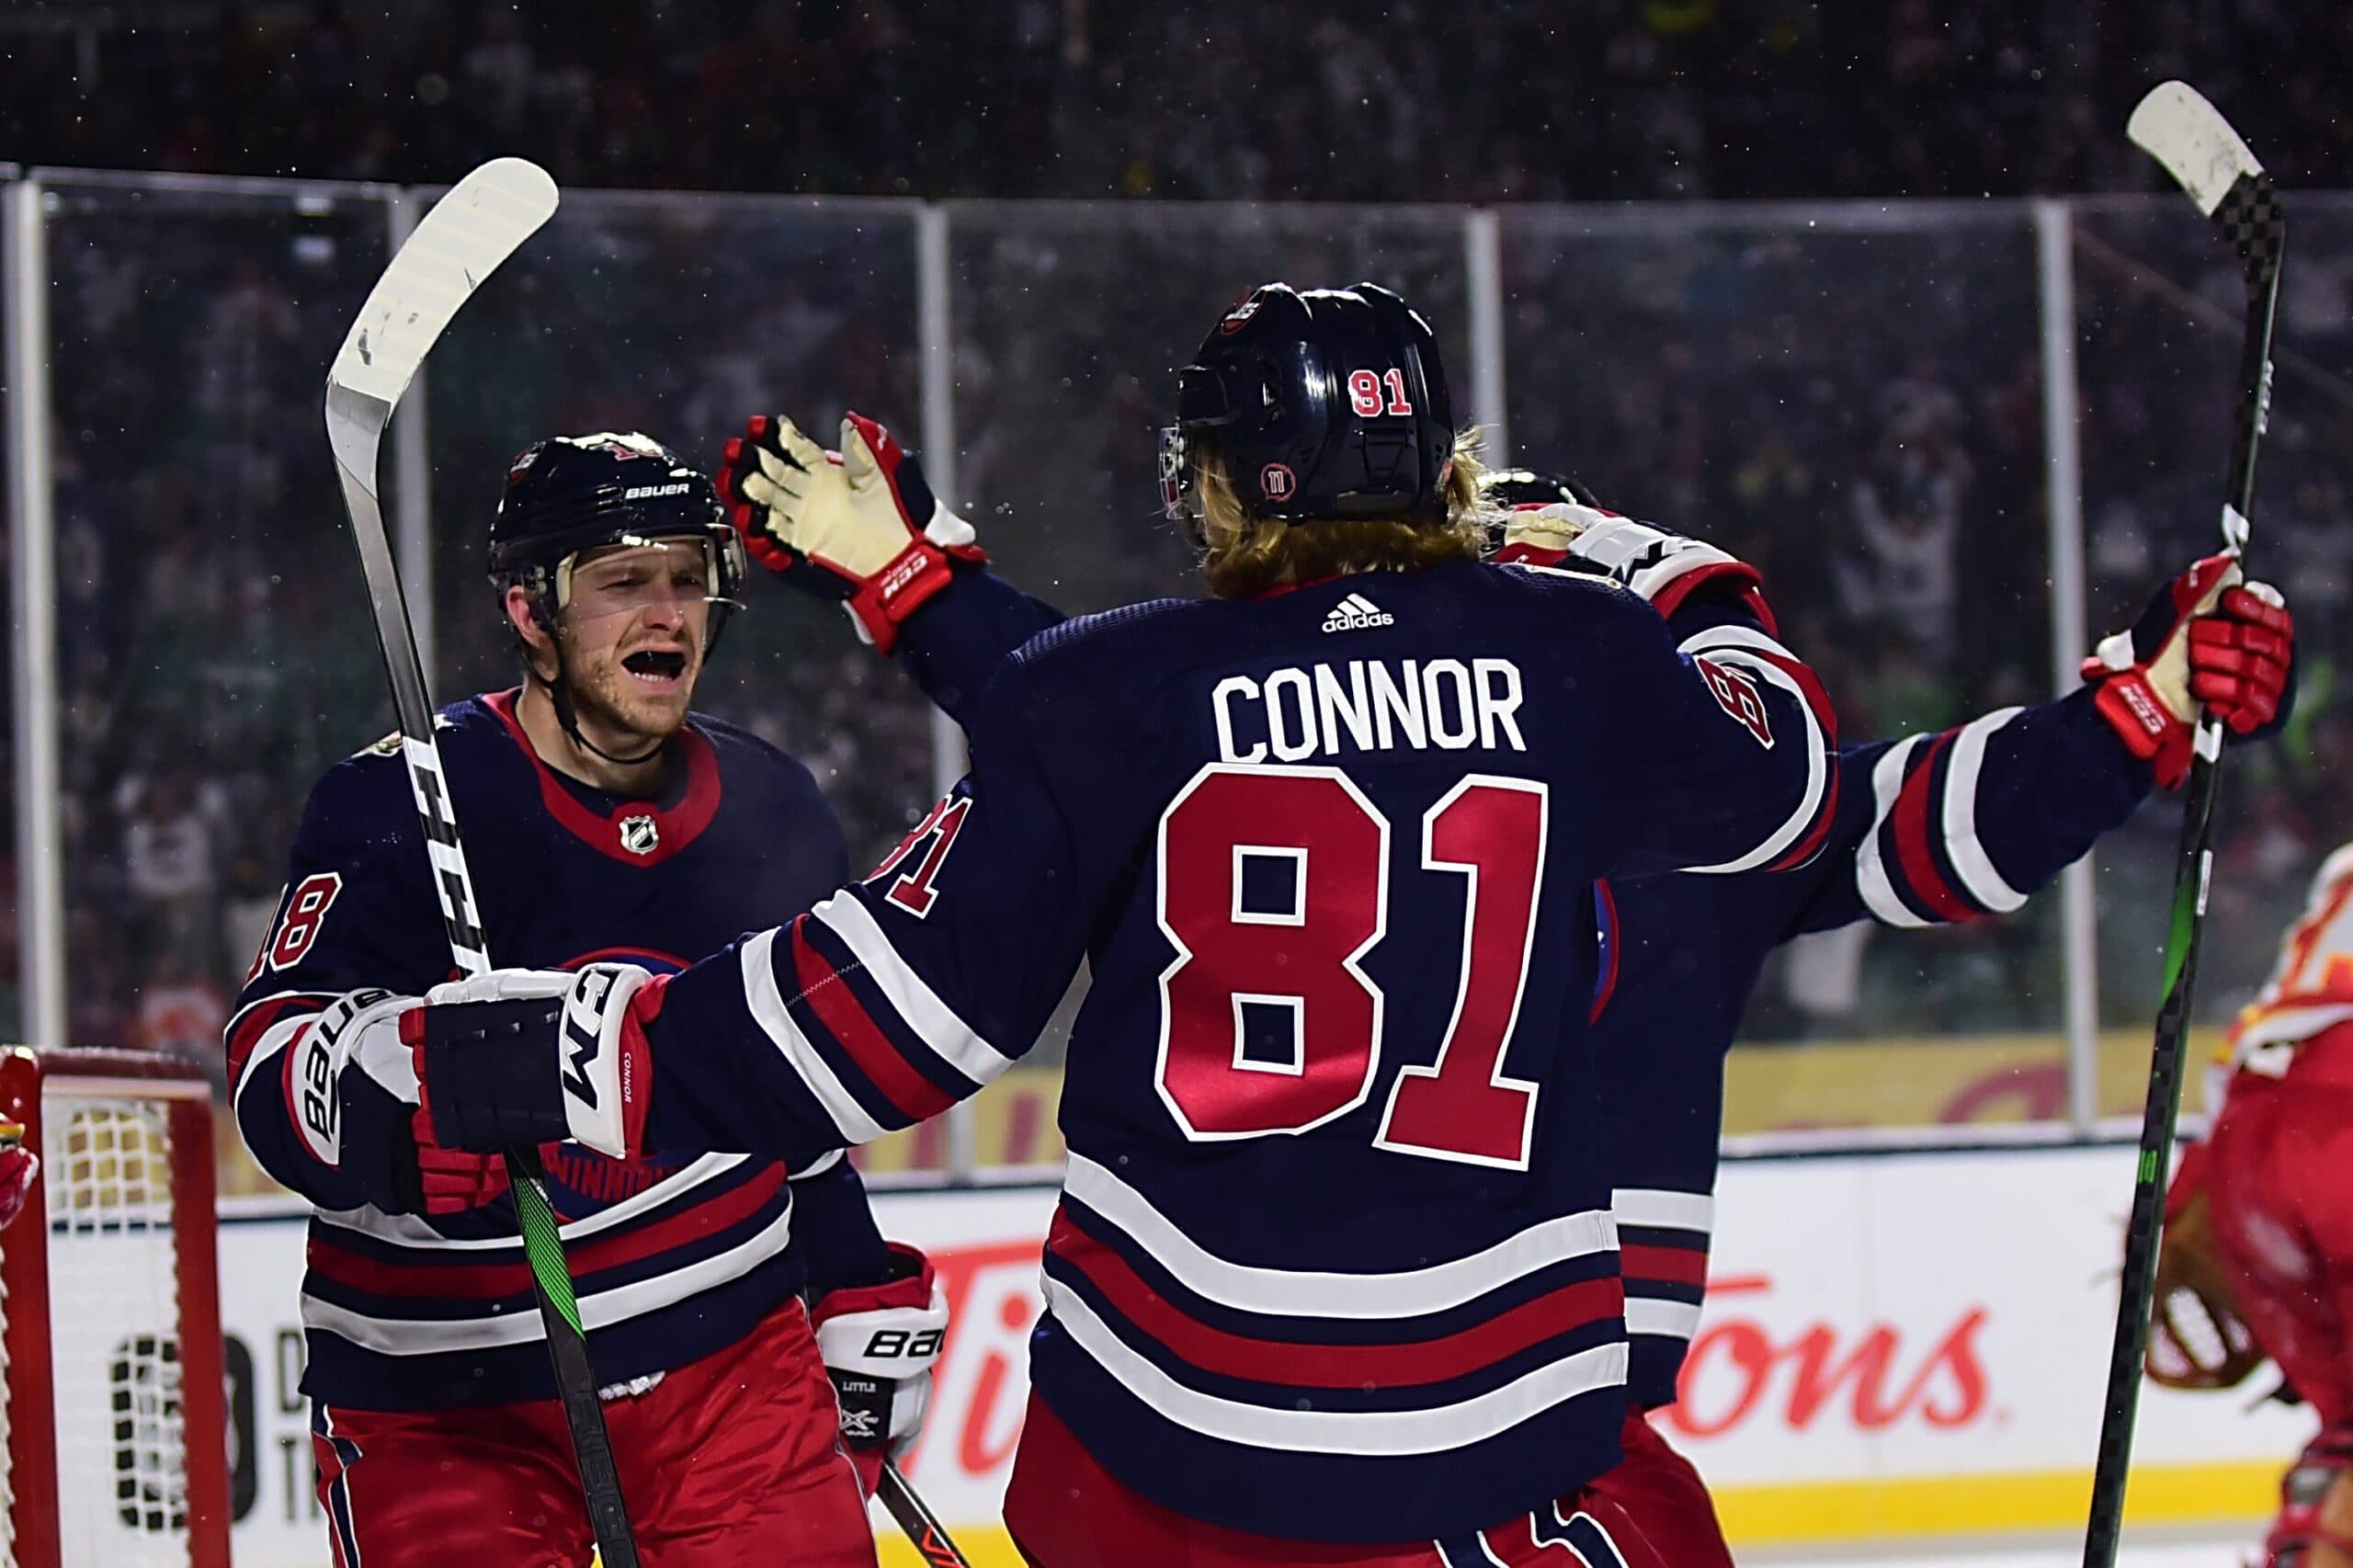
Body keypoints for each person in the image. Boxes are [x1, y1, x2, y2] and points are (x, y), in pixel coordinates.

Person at [392, 281, 1843, 1565]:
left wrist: (585, 1052)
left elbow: (899, 1007)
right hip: (1496, 1425)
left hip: (1161, 1450)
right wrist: (1667, 570)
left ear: (1240, 478)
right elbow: (1778, 779)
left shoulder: (1109, 690)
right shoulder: (1582, 652)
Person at [739, 427, 2298, 1566]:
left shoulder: (1687, 823)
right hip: (1501, 1455)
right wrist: (2143, 702)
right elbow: (1947, 822)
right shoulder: (1712, 819)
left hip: (1295, 1451)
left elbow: (1087, 710)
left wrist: (912, 575)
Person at [1487, 474, 2296, 1560]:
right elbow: (1919, 818)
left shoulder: (1685, 841)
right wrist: (1644, 559)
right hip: (1541, 1473)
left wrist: (2143, 700)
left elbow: (1929, 814)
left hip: (1269, 1440)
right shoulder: (1693, 838)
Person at [222, 432, 949, 1568]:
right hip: (449, 1406)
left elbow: (783, 1091)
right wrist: (400, 1079)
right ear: (530, 612)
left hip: (732, 1372)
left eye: (685, 576)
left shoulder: (773, 804)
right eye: (620, 582)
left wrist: (848, 1267)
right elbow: (269, 1066)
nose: (665, 613)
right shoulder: (402, 799)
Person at [2148, 845, 2353, 1568]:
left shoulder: (2340, 871)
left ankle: (2308, 1536)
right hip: (2338, 1129)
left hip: (2243, 1149)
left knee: (2347, 1426)